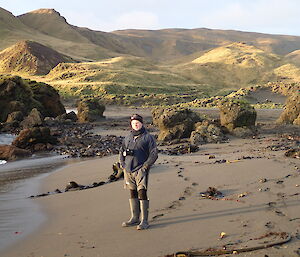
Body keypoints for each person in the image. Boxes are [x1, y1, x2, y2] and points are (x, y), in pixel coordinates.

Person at [119, 114, 158, 230]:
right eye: (133, 122)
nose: (136, 124)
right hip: (128, 170)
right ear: (131, 124)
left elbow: (154, 154)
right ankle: (134, 218)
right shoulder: (127, 137)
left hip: (141, 169)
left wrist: (145, 166)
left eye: (138, 122)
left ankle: (144, 221)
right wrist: (123, 165)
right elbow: (121, 152)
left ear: (142, 123)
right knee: (132, 192)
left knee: (142, 192)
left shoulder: (148, 137)